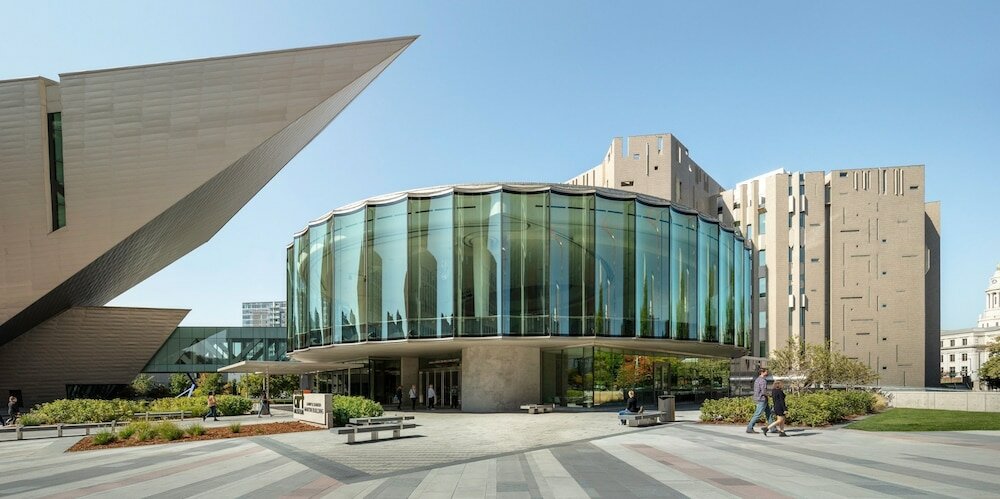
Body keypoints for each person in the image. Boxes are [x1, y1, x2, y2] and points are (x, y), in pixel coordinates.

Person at [746, 367, 773, 434]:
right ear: (762, 372)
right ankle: (749, 428)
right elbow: (763, 391)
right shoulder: (763, 381)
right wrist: (770, 395)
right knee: (757, 414)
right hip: (762, 399)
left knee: (768, 414)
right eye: (766, 372)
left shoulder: (757, 379)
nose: (767, 373)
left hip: (758, 398)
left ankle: (773, 428)